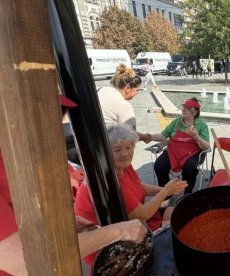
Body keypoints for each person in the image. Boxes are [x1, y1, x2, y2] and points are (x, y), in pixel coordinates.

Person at [0, 96, 148, 276]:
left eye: (59, 115)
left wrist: (58, 225)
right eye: (44, 118)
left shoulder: (16, 159)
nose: (57, 127)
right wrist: (120, 231)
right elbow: (22, 260)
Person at [74, 123, 188, 273]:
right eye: (118, 149)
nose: (125, 153)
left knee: (181, 213)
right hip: (110, 244)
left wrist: (164, 190)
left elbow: (139, 185)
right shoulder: (110, 181)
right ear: (106, 152)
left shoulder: (122, 166)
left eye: (129, 148)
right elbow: (143, 214)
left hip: (132, 220)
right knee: (178, 226)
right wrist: (166, 191)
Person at [150, 97, 210, 194]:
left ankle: (187, 192)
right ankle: (166, 193)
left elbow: (206, 147)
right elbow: (162, 136)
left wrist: (196, 137)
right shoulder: (176, 122)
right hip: (173, 152)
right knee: (159, 165)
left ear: (194, 112)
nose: (183, 109)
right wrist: (148, 136)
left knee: (189, 167)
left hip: (192, 153)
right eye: (183, 107)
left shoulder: (201, 125)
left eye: (186, 108)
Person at [97, 64, 152, 143]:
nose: (137, 93)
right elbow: (131, 135)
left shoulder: (102, 89)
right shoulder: (123, 105)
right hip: (102, 145)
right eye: (137, 90)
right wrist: (145, 137)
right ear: (127, 88)